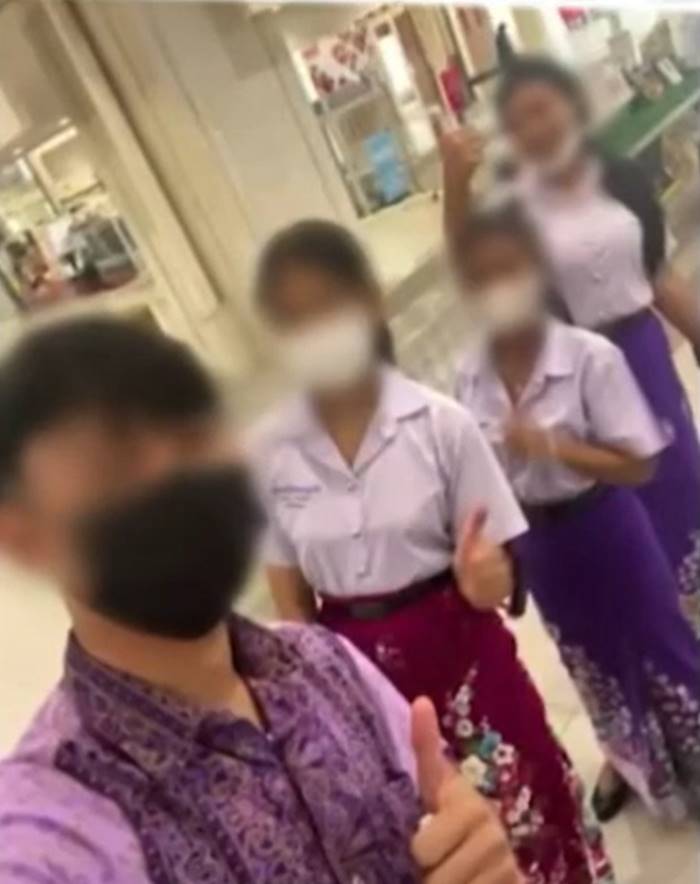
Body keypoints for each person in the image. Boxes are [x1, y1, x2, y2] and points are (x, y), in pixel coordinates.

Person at [0, 317, 522, 884]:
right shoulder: (51, 836)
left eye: (192, 430)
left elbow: (448, 816)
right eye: (115, 458)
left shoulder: (324, 662)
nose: (175, 473)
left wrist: (479, 853)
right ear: (22, 532)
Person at [253, 219, 614, 884]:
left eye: (327, 308)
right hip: (358, 686)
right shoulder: (273, 453)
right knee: (418, 849)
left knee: (522, 821)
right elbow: (292, 608)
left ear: (368, 302)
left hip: (463, 661)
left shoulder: (440, 424)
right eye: (294, 320)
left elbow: (500, 574)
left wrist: (484, 579)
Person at [451, 201, 700, 824]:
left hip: (606, 521)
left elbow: (639, 465)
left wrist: (553, 446)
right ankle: (635, 768)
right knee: (590, 663)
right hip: (540, 543)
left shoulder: (588, 357)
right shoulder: (469, 374)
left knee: (660, 643)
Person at [441, 55, 700, 636]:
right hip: (576, 379)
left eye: (544, 108)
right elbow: (470, 264)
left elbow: (655, 271)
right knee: (622, 516)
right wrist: (455, 183)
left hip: (646, 358)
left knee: (681, 492)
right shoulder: (511, 210)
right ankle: (660, 635)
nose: (537, 126)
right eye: (520, 119)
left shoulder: (621, 180)